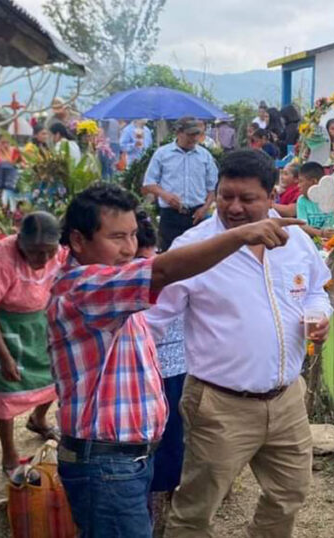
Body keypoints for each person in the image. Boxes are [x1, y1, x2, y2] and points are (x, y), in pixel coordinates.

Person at [48, 182, 302, 537]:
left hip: (126, 458)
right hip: (105, 461)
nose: (129, 248)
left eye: (133, 235)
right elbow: (163, 272)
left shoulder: (113, 289)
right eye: (116, 237)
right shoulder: (84, 287)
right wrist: (239, 236)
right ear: (78, 240)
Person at [145, 149, 331, 538]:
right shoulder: (193, 248)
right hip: (219, 404)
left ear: (270, 196)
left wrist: (319, 315)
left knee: (289, 495)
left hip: (286, 399)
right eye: (226, 195)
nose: (233, 207)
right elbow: (152, 322)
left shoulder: (294, 238)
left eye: (247, 199)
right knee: (196, 510)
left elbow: (316, 289)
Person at [0, 212, 66, 475]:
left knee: (55, 377)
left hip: (40, 319)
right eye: (36, 252)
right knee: (6, 389)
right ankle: (9, 454)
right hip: (3, 324)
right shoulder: (0, 260)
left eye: (49, 252)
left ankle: (38, 419)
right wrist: (4, 357)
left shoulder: (58, 252)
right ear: (20, 241)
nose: (44, 259)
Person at [132, 210, 187, 532]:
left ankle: (162, 504)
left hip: (172, 369)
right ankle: (151, 506)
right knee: (149, 443)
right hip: (142, 370)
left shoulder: (169, 269)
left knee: (170, 442)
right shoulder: (120, 277)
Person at [142, 117, 219, 251]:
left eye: (197, 134)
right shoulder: (162, 154)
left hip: (197, 215)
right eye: (190, 134)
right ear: (178, 132)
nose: (194, 138)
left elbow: (213, 187)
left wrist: (205, 208)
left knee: (198, 255)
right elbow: (149, 183)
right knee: (169, 255)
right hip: (171, 215)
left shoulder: (204, 156)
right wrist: (165, 195)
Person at [295, 161, 334, 238]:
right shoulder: (302, 200)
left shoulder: (331, 198)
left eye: (301, 181)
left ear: (314, 182)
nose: (298, 186)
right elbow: (302, 226)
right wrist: (320, 233)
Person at [0, 137, 22, 212]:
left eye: (7, 143)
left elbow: (21, 163)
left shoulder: (15, 151)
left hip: (12, 182)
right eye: (3, 143)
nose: (5, 145)